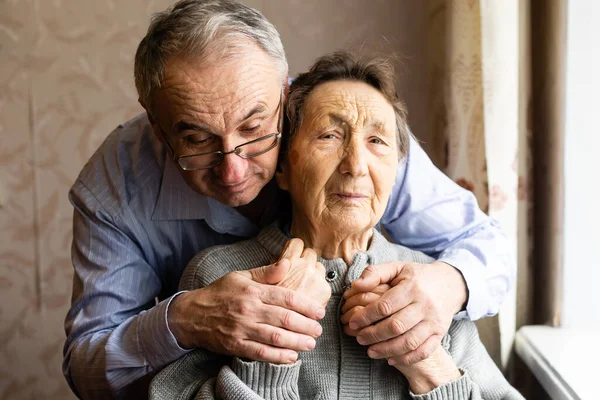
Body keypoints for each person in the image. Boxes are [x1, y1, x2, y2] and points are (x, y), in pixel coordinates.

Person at [62, 0, 514, 398]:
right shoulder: (120, 190)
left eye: (255, 129)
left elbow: (486, 248)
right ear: (159, 129)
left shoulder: (355, 126)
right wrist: (189, 319)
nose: (232, 171)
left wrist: (446, 291)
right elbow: (90, 372)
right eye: (197, 138)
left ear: (285, 98)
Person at [149, 51, 524, 399]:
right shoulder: (216, 276)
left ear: (397, 171)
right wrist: (272, 349)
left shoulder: (428, 289)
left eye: (377, 141)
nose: (356, 165)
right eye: (330, 136)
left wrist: (431, 368)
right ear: (283, 166)